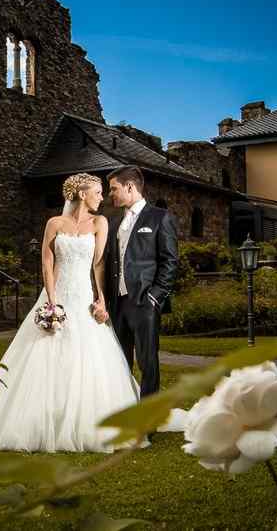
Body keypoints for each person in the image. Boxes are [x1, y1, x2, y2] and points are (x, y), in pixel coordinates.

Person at [0, 173, 140, 453]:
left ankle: (84, 420)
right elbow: (47, 264)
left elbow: (98, 266)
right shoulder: (54, 223)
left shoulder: (100, 222)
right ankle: (39, 420)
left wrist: (102, 301)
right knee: (45, 354)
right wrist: (51, 301)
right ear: (82, 194)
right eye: (97, 191)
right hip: (58, 294)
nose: (102, 196)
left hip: (83, 296)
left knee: (87, 358)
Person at [102, 165, 178, 398]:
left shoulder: (159, 217)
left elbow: (170, 261)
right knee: (119, 360)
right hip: (117, 303)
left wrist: (155, 297)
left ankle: (148, 419)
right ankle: (123, 409)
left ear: (130, 186)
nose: (110, 194)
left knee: (147, 361)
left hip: (145, 301)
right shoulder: (113, 222)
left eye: (114, 189)